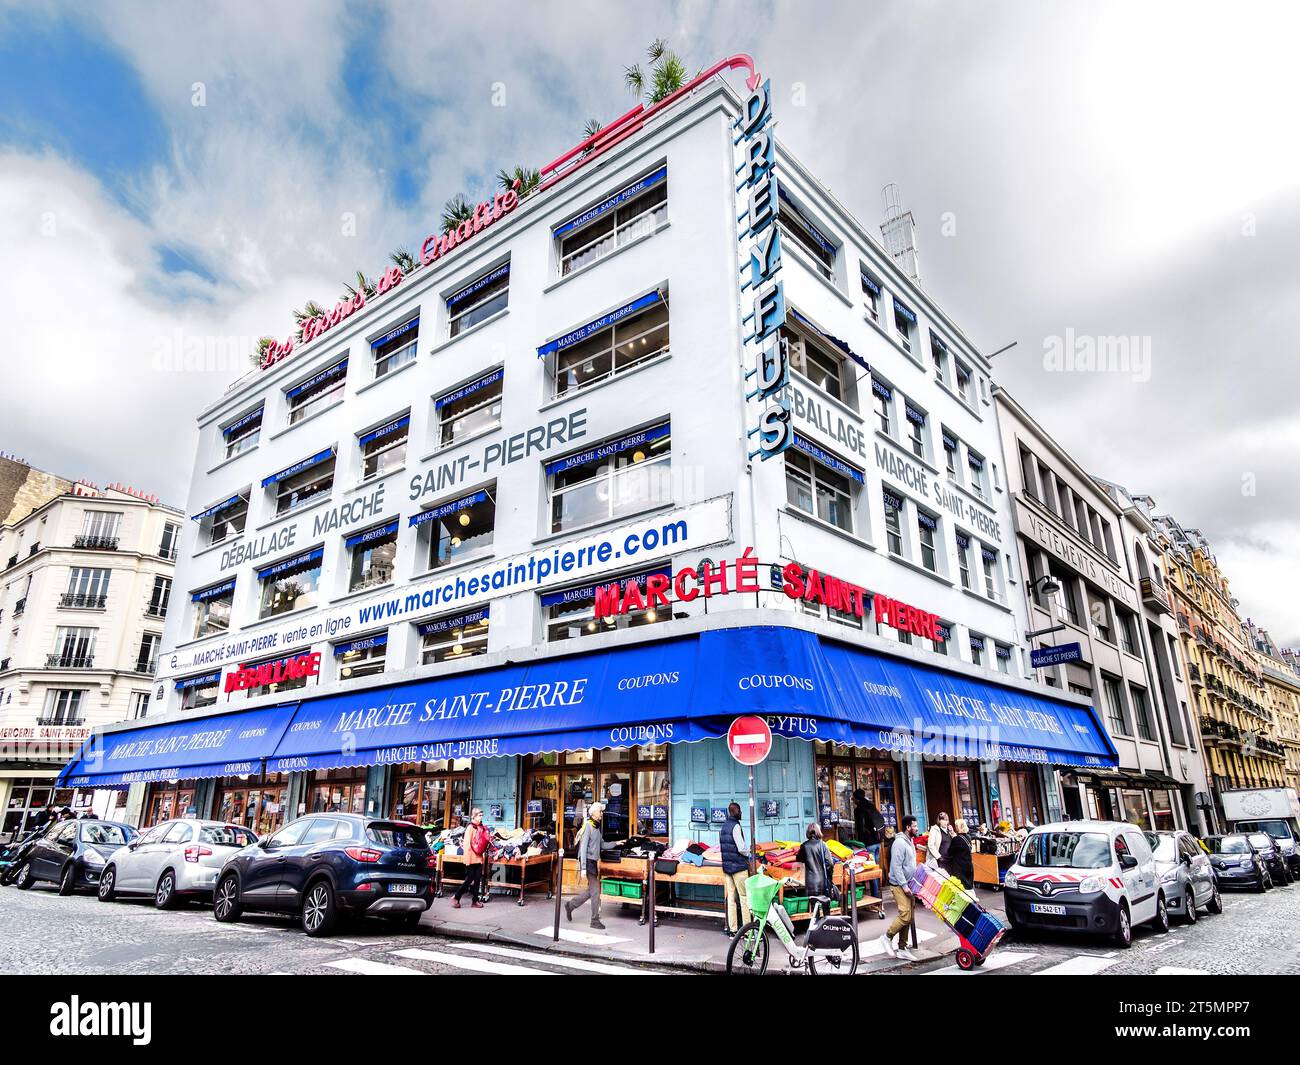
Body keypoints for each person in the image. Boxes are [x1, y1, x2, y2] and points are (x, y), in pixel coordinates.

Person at [879, 815, 918, 961]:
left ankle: (902, 948)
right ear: (908, 827)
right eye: (914, 826)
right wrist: (904, 885)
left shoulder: (910, 841)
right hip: (898, 885)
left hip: (909, 883)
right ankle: (886, 937)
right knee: (905, 915)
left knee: (909, 917)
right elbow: (896, 867)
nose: (916, 828)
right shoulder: (900, 843)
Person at [565, 801, 605, 930]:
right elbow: (583, 848)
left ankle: (571, 905)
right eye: (600, 811)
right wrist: (583, 867)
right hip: (588, 862)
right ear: (593, 813)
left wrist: (619, 843)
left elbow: (603, 845)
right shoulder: (588, 826)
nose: (601, 814)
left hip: (593, 862)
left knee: (591, 891)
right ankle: (594, 920)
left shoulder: (597, 827)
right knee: (595, 891)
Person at [719, 802, 753, 937]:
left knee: (731, 899)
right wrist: (749, 851)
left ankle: (732, 930)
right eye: (740, 811)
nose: (742, 813)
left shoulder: (724, 826)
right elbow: (741, 848)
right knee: (744, 898)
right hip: (739, 867)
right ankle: (747, 930)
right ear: (736, 811)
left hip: (727, 868)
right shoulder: (736, 826)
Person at [452, 808, 489, 910]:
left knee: (477, 879)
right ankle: (456, 896)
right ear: (474, 816)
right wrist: (467, 860)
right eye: (479, 815)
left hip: (478, 857)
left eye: (482, 815)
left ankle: (475, 901)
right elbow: (467, 844)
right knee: (469, 880)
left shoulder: (480, 827)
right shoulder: (470, 827)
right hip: (471, 858)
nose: (481, 817)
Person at [797, 823, 836, 903]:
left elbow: (799, 858)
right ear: (818, 831)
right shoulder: (823, 845)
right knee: (826, 906)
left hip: (810, 882)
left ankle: (816, 916)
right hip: (823, 881)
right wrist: (829, 876)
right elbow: (830, 863)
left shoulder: (804, 846)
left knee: (814, 908)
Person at [947, 818, 975, 890]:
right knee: (968, 888)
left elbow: (949, 852)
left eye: (956, 826)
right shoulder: (968, 837)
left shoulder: (956, 839)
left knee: (961, 889)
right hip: (969, 866)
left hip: (959, 868)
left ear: (958, 827)